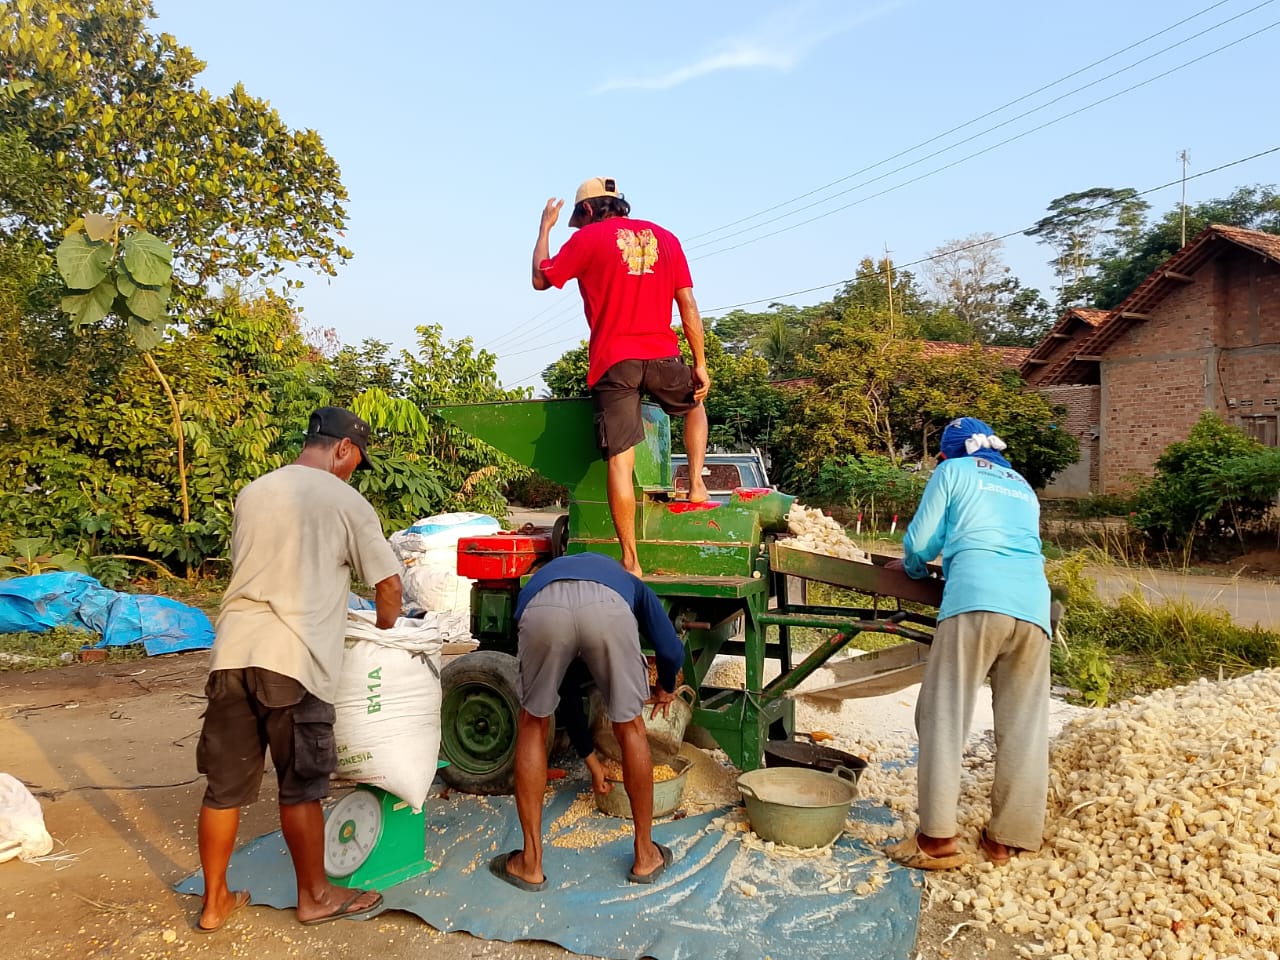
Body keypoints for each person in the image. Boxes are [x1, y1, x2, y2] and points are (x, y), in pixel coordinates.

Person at [194, 407, 404, 931]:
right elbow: (389, 587)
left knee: (223, 789)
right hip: (293, 662)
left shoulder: (253, 492)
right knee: (301, 785)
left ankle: (215, 901)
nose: (354, 470)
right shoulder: (346, 501)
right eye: (357, 459)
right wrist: (383, 626)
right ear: (342, 450)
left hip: (232, 654)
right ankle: (314, 895)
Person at [883, 416, 1052, 870]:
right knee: (1024, 726)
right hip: (1034, 608)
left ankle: (936, 841)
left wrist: (915, 568)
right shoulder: (1021, 484)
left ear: (948, 453)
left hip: (977, 599)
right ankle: (1007, 841)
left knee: (943, 715)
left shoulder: (951, 471)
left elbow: (921, 540)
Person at [532, 176, 711, 576]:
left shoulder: (588, 239)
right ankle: (697, 483)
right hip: (663, 353)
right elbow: (688, 304)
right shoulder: (666, 238)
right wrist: (699, 362)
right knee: (696, 401)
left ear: (589, 210)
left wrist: (544, 227)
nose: (577, 226)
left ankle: (631, 560)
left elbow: (541, 279)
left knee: (620, 461)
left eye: (577, 219)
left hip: (615, 361)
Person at [488, 551, 685, 890]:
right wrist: (666, 687)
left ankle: (530, 863)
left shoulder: (536, 582)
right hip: (609, 611)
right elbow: (670, 650)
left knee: (533, 724)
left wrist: (590, 758)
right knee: (631, 726)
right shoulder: (629, 581)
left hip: (541, 612)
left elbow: (563, 691)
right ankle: (645, 855)